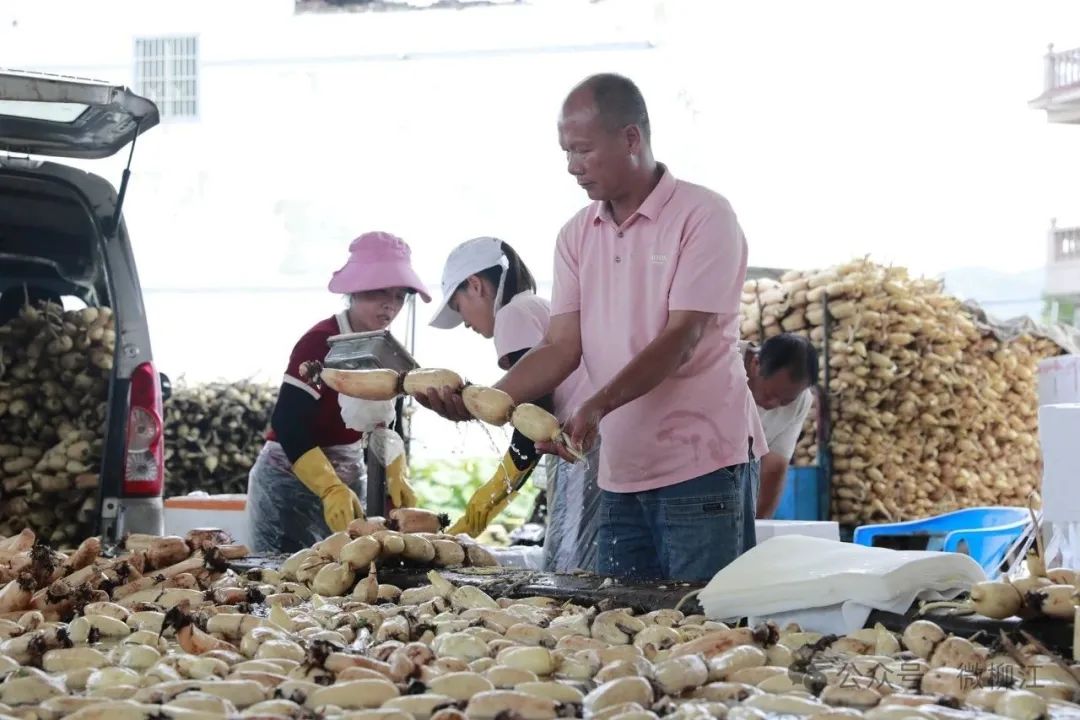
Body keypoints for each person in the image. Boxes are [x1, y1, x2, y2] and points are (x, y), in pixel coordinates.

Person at [423, 74, 767, 583]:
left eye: (582, 149)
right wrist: (482, 401)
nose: (572, 166)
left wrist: (598, 404)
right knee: (617, 623)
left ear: (631, 138)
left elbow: (682, 338)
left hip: (703, 467)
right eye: (566, 151)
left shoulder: (704, 216)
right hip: (619, 472)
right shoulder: (577, 235)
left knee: (702, 620)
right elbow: (560, 346)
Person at [246, 231, 430, 554]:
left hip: (347, 480)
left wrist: (395, 474)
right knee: (285, 574)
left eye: (399, 296)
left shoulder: (389, 352)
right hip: (288, 484)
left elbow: (388, 424)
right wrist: (329, 487)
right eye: (379, 292)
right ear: (354, 290)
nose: (390, 305)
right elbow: (288, 423)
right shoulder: (321, 343)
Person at [426, 236, 600, 572]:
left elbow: (535, 412)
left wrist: (495, 490)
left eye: (459, 307)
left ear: (475, 285)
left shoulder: (512, 315)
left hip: (580, 448)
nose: (465, 322)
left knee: (571, 567)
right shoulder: (538, 306)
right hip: (589, 443)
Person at [739, 333, 818, 520]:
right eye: (770, 394)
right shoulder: (720, 363)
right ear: (756, 364)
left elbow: (775, 467)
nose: (774, 404)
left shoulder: (800, 401)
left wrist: (760, 524)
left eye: (785, 401)